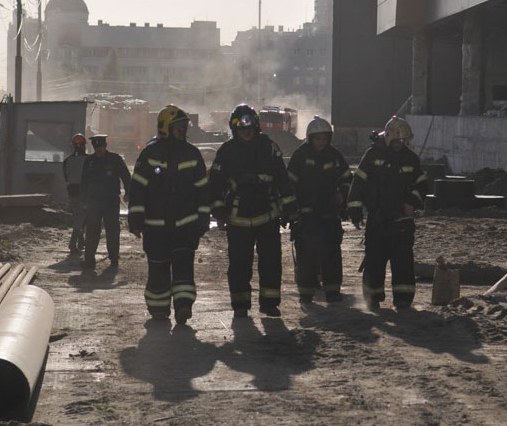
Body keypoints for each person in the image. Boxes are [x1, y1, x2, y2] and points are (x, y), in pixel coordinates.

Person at [208, 104, 298, 318]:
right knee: (239, 263)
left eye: (249, 128)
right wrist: (218, 210)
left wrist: (290, 209)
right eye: (241, 129)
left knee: (271, 262)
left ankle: (269, 303)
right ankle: (240, 305)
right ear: (234, 130)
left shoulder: (270, 147)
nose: (246, 132)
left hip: (267, 213)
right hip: (238, 217)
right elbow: (215, 184)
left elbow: (283, 180)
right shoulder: (226, 151)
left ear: (256, 127)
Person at [128, 105, 211, 325]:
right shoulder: (150, 153)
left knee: (184, 268)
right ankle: (158, 309)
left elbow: (203, 189)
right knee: (158, 269)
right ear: (166, 128)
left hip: (186, 226)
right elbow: (137, 189)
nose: (183, 130)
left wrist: (203, 218)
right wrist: (135, 220)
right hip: (156, 227)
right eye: (179, 127)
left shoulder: (192, 153)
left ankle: (183, 307)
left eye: (185, 127)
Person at [347, 116, 428, 311]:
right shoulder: (372, 155)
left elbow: (422, 182)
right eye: (398, 140)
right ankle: (372, 299)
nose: (402, 144)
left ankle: (403, 299)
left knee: (403, 261)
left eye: (405, 141)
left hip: (402, 221)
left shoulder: (410, 158)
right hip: (378, 218)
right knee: (374, 260)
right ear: (389, 137)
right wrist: (355, 210)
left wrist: (412, 202)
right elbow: (358, 183)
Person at [287, 116, 351, 304]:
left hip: (329, 214)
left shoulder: (334, 155)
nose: (321, 142)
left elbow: (347, 179)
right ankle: (306, 293)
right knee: (307, 254)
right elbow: (288, 185)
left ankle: (332, 291)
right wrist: (292, 210)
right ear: (310, 138)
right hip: (306, 214)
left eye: (324, 138)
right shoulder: (300, 156)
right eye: (318, 139)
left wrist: (342, 194)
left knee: (331, 252)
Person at [81, 134, 131, 270]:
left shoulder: (115, 160)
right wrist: (83, 200)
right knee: (92, 230)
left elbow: (126, 176)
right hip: (94, 201)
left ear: (105, 146)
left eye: (100, 147)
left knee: (113, 230)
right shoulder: (89, 161)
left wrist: (128, 192)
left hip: (111, 201)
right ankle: (89, 259)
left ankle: (114, 258)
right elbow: (84, 181)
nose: (98, 150)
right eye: (96, 147)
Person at [63, 133, 88, 255]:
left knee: (78, 217)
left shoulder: (67, 161)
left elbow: (66, 177)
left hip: (72, 192)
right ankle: (73, 242)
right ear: (84, 145)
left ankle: (80, 241)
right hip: (84, 193)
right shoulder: (89, 160)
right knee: (82, 218)